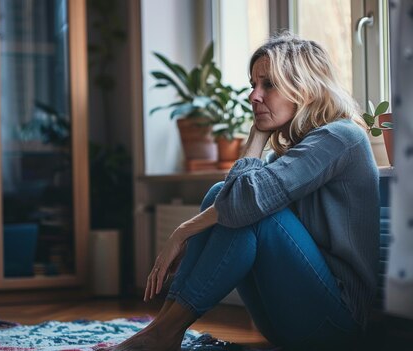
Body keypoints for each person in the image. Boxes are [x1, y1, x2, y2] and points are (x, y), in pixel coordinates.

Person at [107, 32, 380, 350]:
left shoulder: (341, 137)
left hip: (334, 325)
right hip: (286, 319)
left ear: (304, 87)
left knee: (252, 213)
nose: (253, 96)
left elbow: (246, 204)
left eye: (268, 85)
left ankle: (163, 333)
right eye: (253, 85)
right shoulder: (292, 150)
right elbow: (235, 198)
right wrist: (257, 136)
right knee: (219, 194)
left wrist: (182, 231)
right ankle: (165, 329)